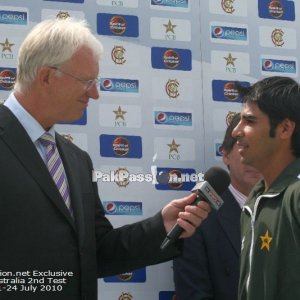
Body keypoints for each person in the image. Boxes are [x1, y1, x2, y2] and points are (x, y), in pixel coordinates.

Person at [0, 18, 211, 300]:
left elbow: (96, 252)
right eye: (87, 81)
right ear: (47, 76)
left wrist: (162, 226)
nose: (95, 93)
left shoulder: (77, 160)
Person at [173, 113, 261, 300]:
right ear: (226, 155)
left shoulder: (289, 211)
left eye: (263, 148)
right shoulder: (197, 217)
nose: (254, 156)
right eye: (244, 146)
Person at [231, 76, 300, 300]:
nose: (236, 131)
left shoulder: (296, 193)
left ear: (285, 128)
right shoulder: (255, 198)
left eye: (249, 121)